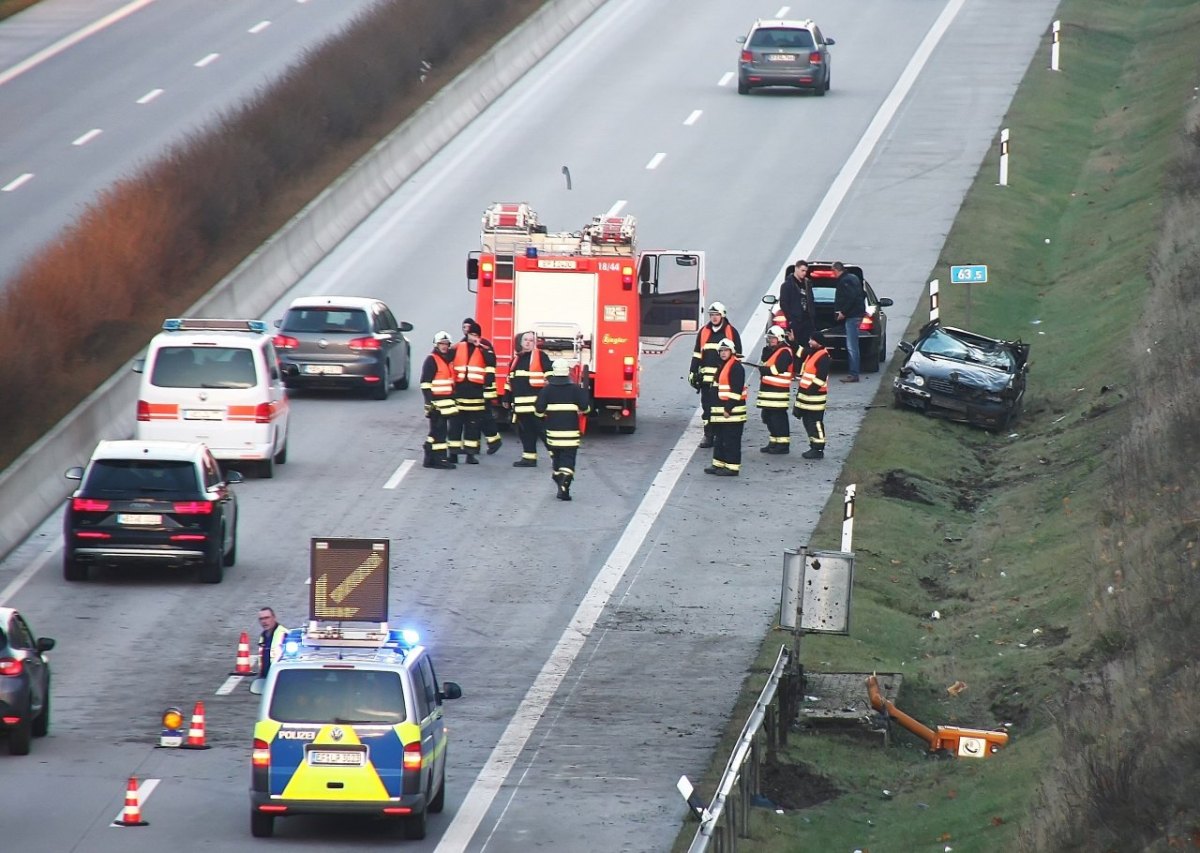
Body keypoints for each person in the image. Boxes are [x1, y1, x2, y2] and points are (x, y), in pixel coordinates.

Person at [534, 359, 590, 501]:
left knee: (557, 458)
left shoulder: (546, 390)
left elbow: (539, 410)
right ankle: (564, 483)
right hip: (571, 433)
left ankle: (559, 477)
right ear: (567, 372)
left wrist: (543, 416)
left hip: (553, 433)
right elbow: (585, 407)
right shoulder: (575, 389)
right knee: (568, 458)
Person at [688, 302, 742, 449]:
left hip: (724, 381)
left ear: (722, 315)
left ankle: (720, 434)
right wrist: (693, 372)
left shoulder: (731, 332)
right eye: (711, 315)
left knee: (721, 408)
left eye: (716, 315)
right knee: (707, 408)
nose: (714, 318)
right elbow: (697, 354)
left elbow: (737, 358)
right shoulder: (704, 332)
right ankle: (708, 435)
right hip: (707, 380)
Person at [508, 330, 553, 467]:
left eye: (531, 340)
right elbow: (509, 381)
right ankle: (529, 458)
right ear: (520, 343)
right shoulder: (516, 360)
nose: (528, 342)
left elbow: (550, 376)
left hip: (535, 404)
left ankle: (556, 456)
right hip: (520, 405)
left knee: (542, 431)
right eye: (526, 340)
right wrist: (506, 398)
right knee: (525, 432)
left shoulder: (540, 356)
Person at [705, 339, 747, 476]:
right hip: (721, 414)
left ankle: (732, 467)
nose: (723, 353)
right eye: (721, 351)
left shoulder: (736, 367)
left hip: (732, 414)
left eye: (726, 350)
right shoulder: (723, 366)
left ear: (732, 351)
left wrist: (728, 409)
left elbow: (736, 391)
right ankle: (719, 464)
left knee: (731, 441)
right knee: (720, 440)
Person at [450, 322, 490, 463]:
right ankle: (453, 453)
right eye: (472, 334)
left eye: (476, 335)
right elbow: (445, 358)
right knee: (455, 426)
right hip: (459, 393)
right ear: (467, 335)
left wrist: (480, 346)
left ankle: (470, 454)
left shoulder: (484, 349)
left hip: (475, 395)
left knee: (472, 427)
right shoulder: (458, 347)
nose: (474, 337)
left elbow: (491, 362)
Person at [462, 317, 502, 455]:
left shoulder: (484, 345)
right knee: (475, 418)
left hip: (485, 389)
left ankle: (494, 441)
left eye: (469, 328)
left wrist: (487, 384)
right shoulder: (462, 345)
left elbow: (491, 365)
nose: (466, 330)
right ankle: (478, 445)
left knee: (484, 416)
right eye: (464, 328)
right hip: (472, 390)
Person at [419, 331, 458, 469]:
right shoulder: (432, 360)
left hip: (445, 403)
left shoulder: (446, 359)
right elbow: (425, 383)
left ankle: (429, 457)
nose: (444, 346)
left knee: (436, 432)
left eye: (446, 344)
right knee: (439, 433)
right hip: (436, 404)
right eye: (441, 343)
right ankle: (439, 459)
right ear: (436, 345)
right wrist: (429, 402)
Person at [756, 326, 794, 454]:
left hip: (778, 393)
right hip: (767, 392)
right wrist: (767, 350)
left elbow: (778, 369)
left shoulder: (785, 351)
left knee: (778, 418)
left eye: (773, 338)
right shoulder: (769, 350)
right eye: (769, 338)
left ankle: (783, 445)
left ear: (780, 338)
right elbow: (763, 362)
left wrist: (765, 370)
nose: (771, 340)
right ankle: (774, 441)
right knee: (767, 417)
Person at [793, 334, 831, 459]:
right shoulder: (812, 352)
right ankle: (814, 445)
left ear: (818, 342)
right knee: (808, 422)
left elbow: (820, 379)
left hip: (815, 398)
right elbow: (799, 352)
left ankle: (818, 448)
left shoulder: (823, 357)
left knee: (815, 423)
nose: (809, 342)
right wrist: (793, 340)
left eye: (812, 340)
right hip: (807, 397)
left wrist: (809, 391)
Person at [832, 261, 866, 382]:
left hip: (852, 316)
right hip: (855, 315)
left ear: (836, 270)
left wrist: (843, 312)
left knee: (852, 346)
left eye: (833, 272)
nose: (833, 274)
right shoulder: (853, 277)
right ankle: (854, 373)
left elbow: (851, 297)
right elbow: (862, 294)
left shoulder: (845, 281)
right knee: (853, 345)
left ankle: (854, 374)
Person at [779, 260, 816, 352]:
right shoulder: (787, 285)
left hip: (807, 322)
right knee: (795, 347)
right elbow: (783, 303)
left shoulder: (807, 284)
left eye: (805, 271)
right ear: (796, 269)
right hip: (795, 322)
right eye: (802, 270)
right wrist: (791, 320)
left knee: (807, 348)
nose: (804, 273)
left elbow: (811, 301)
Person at [257, 607, 288, 680]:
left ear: (274, 618)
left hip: (279, 679)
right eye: (261, 619)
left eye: (267, 618)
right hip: (266, 677)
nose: (264, 621)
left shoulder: (284, 634)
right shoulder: (263, 635)